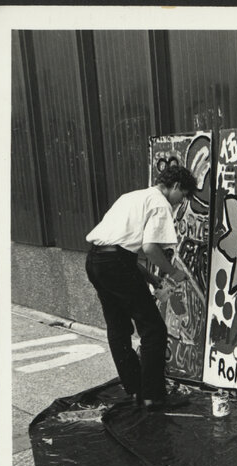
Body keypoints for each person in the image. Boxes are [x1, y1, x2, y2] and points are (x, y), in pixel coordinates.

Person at [85, 166, 197, 410]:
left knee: (118, 327)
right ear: (176, 186)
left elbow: (120, 249)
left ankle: (135, 389)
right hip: (115, 264)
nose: (182, 202)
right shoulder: (160, 204)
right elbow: (149, 249)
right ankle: (153, 396)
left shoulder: (131, 196)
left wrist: (150, 278)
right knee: (153, 329)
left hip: (95, 261)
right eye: (184, 195)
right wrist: (172, 272)